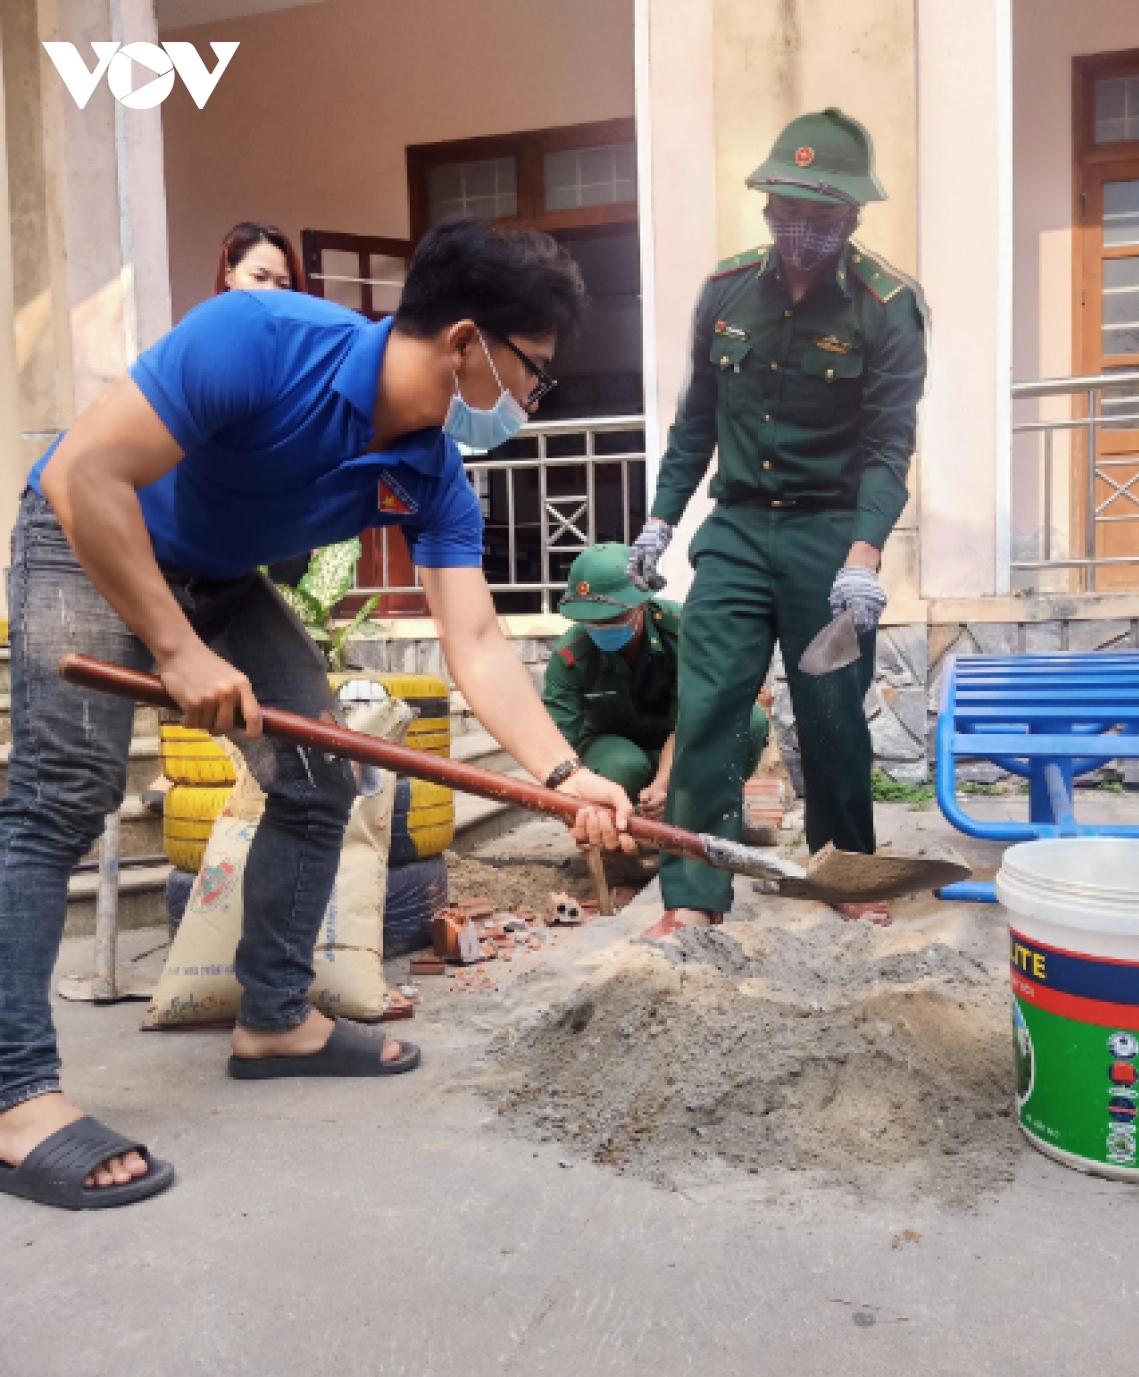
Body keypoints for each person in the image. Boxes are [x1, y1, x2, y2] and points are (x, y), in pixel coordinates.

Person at [0, 217, 635, 1211]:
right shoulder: (256, 339)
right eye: (532, 374)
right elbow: (87, 475)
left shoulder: (433, 474)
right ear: (466, 342)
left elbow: (473, 641)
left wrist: (562, 776)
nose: (529, 400)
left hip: (212, 574)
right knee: (60, 797)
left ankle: (273, 1019)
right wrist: (175, 649)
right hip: (86, 534)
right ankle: (15, 1097)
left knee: (318, 781)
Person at [625, 109, 927, 939]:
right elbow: (694, 424)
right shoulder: (726, 293)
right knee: (711, 705)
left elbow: (887, 444)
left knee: (830, 712)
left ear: (853, 217)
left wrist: (864, 556)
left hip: (828, 536)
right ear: (765, 208)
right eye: (784, 213)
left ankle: (844, 875)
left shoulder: (886, 307)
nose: (799, 235)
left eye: (820, 219)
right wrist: (658, 522)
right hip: (735, 532)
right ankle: (693, 893)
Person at [144, 222, 310, 818]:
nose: (269, 292)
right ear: (228, 276)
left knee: (311, 770)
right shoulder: (204, 351)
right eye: (258, 277)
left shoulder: (299, 371)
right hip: (159, 550)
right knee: (69, 785)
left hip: (233, 566)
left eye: (283, 283)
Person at [543, 543, 769, 822]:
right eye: (590, 620)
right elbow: (559, 741)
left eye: (614, 616)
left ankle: (708, 813)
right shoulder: (570, 656)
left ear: (643, 603)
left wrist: (663, 785)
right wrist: (575, 804)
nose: (602, 626)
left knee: (749, 721)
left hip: (682, 743)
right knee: (623, 764)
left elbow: (692, 718)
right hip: (614, 751)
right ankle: (625, 828)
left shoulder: (683, 634)